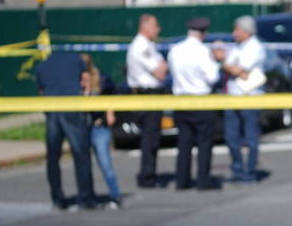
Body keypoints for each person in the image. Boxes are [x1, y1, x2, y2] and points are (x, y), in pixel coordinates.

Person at [35, 51, 97, 210]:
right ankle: (86, 197)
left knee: (53, 157)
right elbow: (86, 81)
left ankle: (57, 198)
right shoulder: (76, 60)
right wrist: (86, 99)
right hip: (72, 108)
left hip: (52, 111)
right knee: (81, 154)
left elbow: (41, 92)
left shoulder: (42, 66)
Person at [167, 17, 221, 191]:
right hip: (201, 100)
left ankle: (182, 180)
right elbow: (213, 77)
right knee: (204, 143)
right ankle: (202, 180)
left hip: (181, 100)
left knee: (184, 143)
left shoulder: (175, 50)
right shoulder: (203, 51)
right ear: (203, 32)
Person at [219, 16, 266, 183]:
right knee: (232, 137)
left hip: (250, 97)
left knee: (251, 137)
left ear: (247, 31)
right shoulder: (236, 47)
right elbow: (230, 67)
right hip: (232, 96)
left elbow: (238, 69)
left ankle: (250, 171)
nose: (234, 33)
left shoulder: (255, 47)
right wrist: (230, 67)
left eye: (237, 29)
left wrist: (229, 66)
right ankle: (237, 169)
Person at [126, 13, 167, 188]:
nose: (158, 29)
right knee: (149, 139)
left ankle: (150, 173)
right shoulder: (140, 47)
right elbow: (160, 71)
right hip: (146, 95)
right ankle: (147, 176)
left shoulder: (149, 45)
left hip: (152, 94)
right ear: (145, 26)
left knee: (153, 138)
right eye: (155, 25)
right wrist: (163, 65)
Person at [81, 55, 123, 209]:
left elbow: (114, 93)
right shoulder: (73, 82)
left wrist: (110, 111)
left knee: (105, 163)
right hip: (81, 128)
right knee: (83, 165)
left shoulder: (100, 78)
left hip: (99, 126)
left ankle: (115, 195)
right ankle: (88, 197)